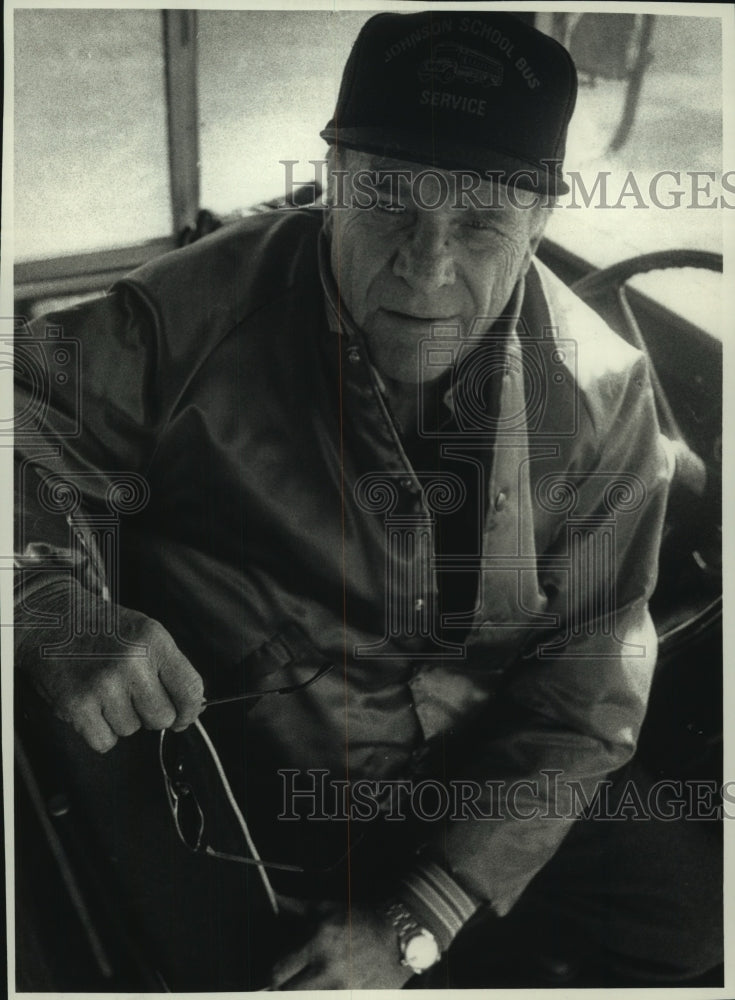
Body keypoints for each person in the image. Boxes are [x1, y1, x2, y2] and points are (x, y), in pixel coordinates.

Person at [14, 10, 721, 991]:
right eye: (390, 198)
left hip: (482, 768)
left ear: (543, 218)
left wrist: (415, 922)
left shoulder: (606, 395)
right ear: (333, 181)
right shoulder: (194, 314)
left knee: (693, 924)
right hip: (259, 773)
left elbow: (590, 680)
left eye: (480, 221)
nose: (428, 265)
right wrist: (48, 596)